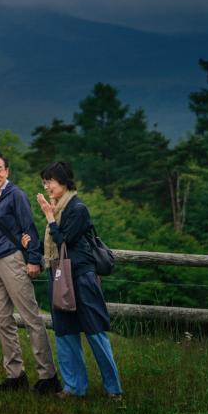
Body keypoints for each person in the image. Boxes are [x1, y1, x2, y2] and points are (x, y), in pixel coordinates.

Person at [0, 153, 60, 394]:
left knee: (31, 319)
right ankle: (15, 375)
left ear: (7, 171)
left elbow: (29, 227)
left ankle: (48, 377)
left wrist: (33, 259)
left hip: (14, 261)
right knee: (3, 321)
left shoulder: (16, 195)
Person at [36, 161, 123, 401]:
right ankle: (74, 387)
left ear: (64, 181)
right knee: (65, 331)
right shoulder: (59, 208)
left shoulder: (77, 208)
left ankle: (113, 389)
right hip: (58, 274)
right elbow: (53, 244)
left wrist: (49, 217)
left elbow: (64, 240)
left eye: (50, 181)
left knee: (95, 332)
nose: (47, 186)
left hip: (81, 277)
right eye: (44, 182)